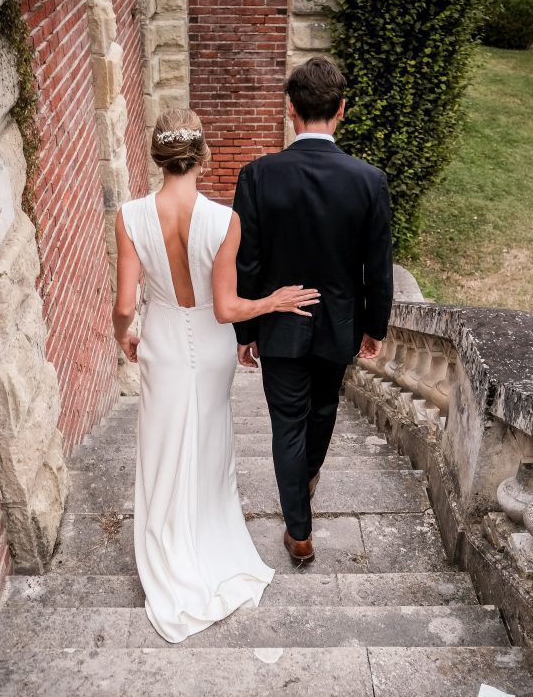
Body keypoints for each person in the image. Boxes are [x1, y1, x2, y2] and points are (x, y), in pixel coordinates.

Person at [112, 108, 320, 643]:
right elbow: (226, 310)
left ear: (157, 157)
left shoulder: (130, 215)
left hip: (159, 340)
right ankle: (208, 534)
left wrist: (123, 336)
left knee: (161, 444)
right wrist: (272, 301)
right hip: (211, 344)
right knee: (207, 442)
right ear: (202, 156)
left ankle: (167, 541)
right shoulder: (224, 220)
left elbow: (123, 304)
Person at [233, 57, 393, 565]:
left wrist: (246, 330)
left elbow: (247, 260)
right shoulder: (369, 181)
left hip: (279, 326)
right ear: (341, 110)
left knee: (287, 425)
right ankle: (306, 482)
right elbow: (378, 268)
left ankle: (299, 532)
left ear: (290, 110)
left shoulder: (257, 176)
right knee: (323, 411)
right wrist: (375, 327)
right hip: (339, 326)